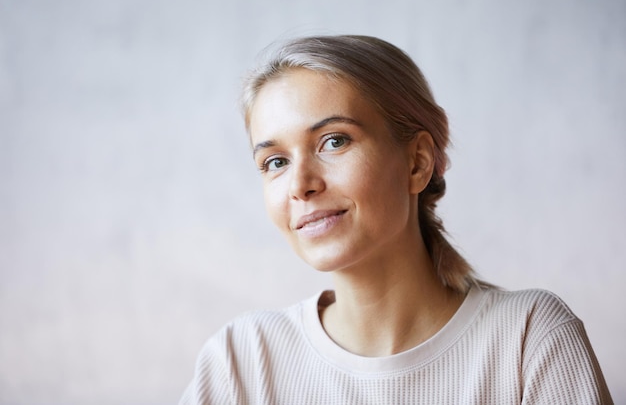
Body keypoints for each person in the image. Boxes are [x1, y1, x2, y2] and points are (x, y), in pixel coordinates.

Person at [180, 35, 612, 404]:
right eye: (274, 161)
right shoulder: (241, 362)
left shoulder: (529, 339)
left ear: (417, 163)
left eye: (333, 141)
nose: (300, 184)